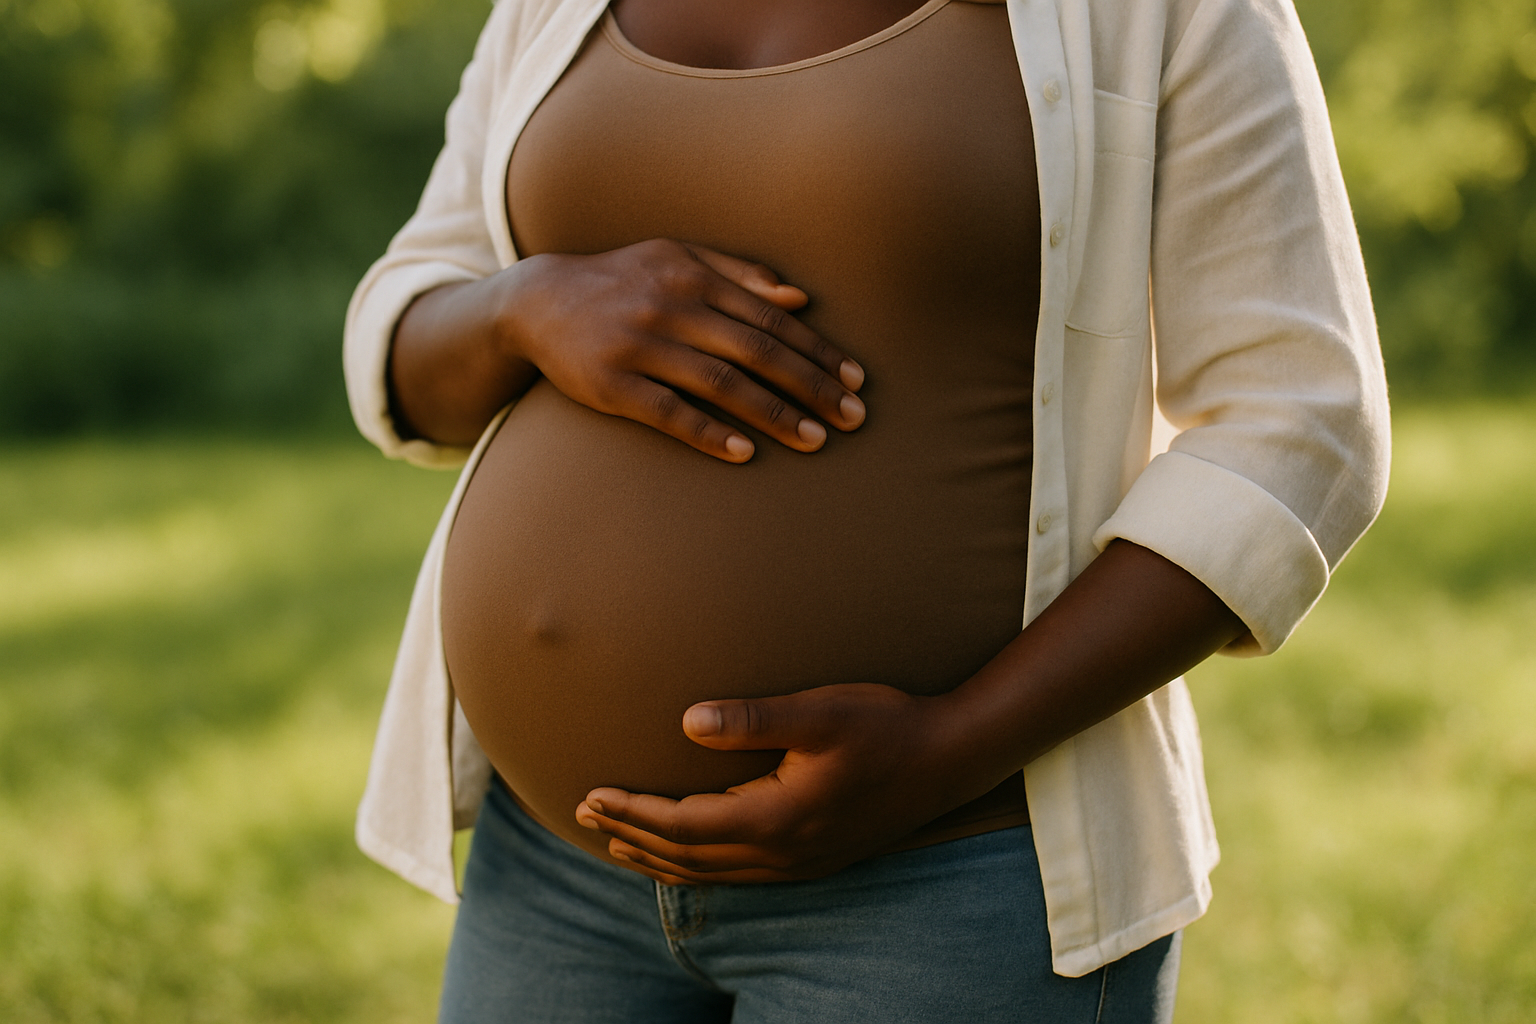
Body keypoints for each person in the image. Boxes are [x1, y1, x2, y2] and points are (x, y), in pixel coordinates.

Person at [343, 0, 1390, 1019]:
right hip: (559, 872)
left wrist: (954, 746)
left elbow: (1299, 425)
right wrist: (522, 309)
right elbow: (412, 315)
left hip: (952, 879)